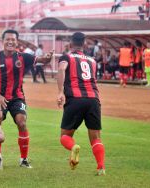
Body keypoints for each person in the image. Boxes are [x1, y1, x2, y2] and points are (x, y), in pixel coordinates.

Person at [0, 29, 53, 169]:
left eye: (13, 40)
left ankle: (23, 159)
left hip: (17, 97)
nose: (10, 42)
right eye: (7, 39)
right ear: (3, 41)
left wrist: (48, 57)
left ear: (17, 42)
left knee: (21, 123)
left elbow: (42, 60)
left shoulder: (24, 57)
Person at [56, 32, 106, 176]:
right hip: (93, 100)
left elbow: (61, 69)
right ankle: (101, 167)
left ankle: (74, 146)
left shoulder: (67, 57)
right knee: (96, 137)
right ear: (84, 44)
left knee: (65, 136)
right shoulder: (92, 61)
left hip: (75, 100)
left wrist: (60, 92)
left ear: (71, 44)